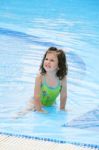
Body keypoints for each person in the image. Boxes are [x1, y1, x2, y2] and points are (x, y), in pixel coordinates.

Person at [18, 47, 68, 115]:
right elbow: (36, 97)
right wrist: (39, 110)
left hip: (51, 104)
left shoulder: (62, 79)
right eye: (46, 59)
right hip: (35, 103)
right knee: (23, 113)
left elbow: (63, 96)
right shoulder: (40, 77)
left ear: (59, 65)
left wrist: (62, 109)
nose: (48, 62)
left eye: (52, 60)